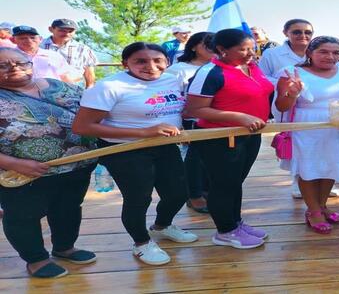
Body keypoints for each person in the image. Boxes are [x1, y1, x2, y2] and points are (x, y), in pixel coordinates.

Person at [72, 42, 196, 266]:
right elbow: (82, 126)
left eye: (158, 60)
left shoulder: (172, 79)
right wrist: (143, 132)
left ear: (168, 62)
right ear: (125, 63)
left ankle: (162, 225)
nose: (151, 66)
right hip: (125, 150)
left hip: (165, 145)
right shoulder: (110, 86)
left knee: (178, 192)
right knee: (139, 198)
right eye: (140, 61)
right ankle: (141, 242)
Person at [0, 47, 97, 278]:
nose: (13, 68)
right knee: (23, 216)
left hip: (78, 164)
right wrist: (13, 162)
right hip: (22, 173)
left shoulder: (58, 86)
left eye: (20, 62)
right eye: (3, 65)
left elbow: (95, 110)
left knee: (68, 209)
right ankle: (36, 259)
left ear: (31, 64)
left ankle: (64, 248)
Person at [184, 29, 274, 249]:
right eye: (243, 49)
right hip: (220, 138)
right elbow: (193, 110)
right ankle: (225, 231)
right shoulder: (211, 72)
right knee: (223, 184)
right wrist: (240, 117)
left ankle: (236, 223)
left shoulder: (252, 67)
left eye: (252, 48)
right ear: (222, 50)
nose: (250, 53)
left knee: (235, 182)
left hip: (249, 135)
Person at [273, 36, 339, 234]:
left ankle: (322, 205)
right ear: (309, 53)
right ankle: (313, 210)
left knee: (331, 165)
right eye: (323, 51)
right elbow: (281, 106)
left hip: (338, 127)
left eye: (336, 52)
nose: (330, 56)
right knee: (308, 169)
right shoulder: (292, 73)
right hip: (307, 127)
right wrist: (292, 94)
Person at [259, 20, 339, 198]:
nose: (303, 35)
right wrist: (290, 88)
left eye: (307, 32)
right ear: (286, 32)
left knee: (330, 158)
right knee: (305, 158)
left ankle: (322, 200)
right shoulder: (274, 56)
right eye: (297, 32)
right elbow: (263, 78)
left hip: (333, 120)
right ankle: (306, 196)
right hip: (299, 113)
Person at [165, 31, 214, 214]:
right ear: (193, 46)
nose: (212, 48)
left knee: (212, 160)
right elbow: (170, 98)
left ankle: (209, 192)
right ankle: (194, 196)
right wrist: (176, 124)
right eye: (207, 44)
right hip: (191, 121)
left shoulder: (218, 67)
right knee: (194, 160)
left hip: (217, 120)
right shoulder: (178, 70)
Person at [40, 19, 98, 88]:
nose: (67, 34)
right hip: (43, 88)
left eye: (70, 31)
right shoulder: (39, 46)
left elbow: (89, 73)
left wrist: (89, 90)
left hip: (74, 88)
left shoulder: (83, 49)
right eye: (62, 30)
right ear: (51, 29)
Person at [11, 26, 76, 83]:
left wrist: (74, 91)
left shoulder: (54, 56)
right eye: (22, 38)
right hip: (20, 92)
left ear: (40, 39)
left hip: (54, 91)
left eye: (32, 37)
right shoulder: (8, 57)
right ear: (13, 40)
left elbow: (65, 77)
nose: (29, 40)